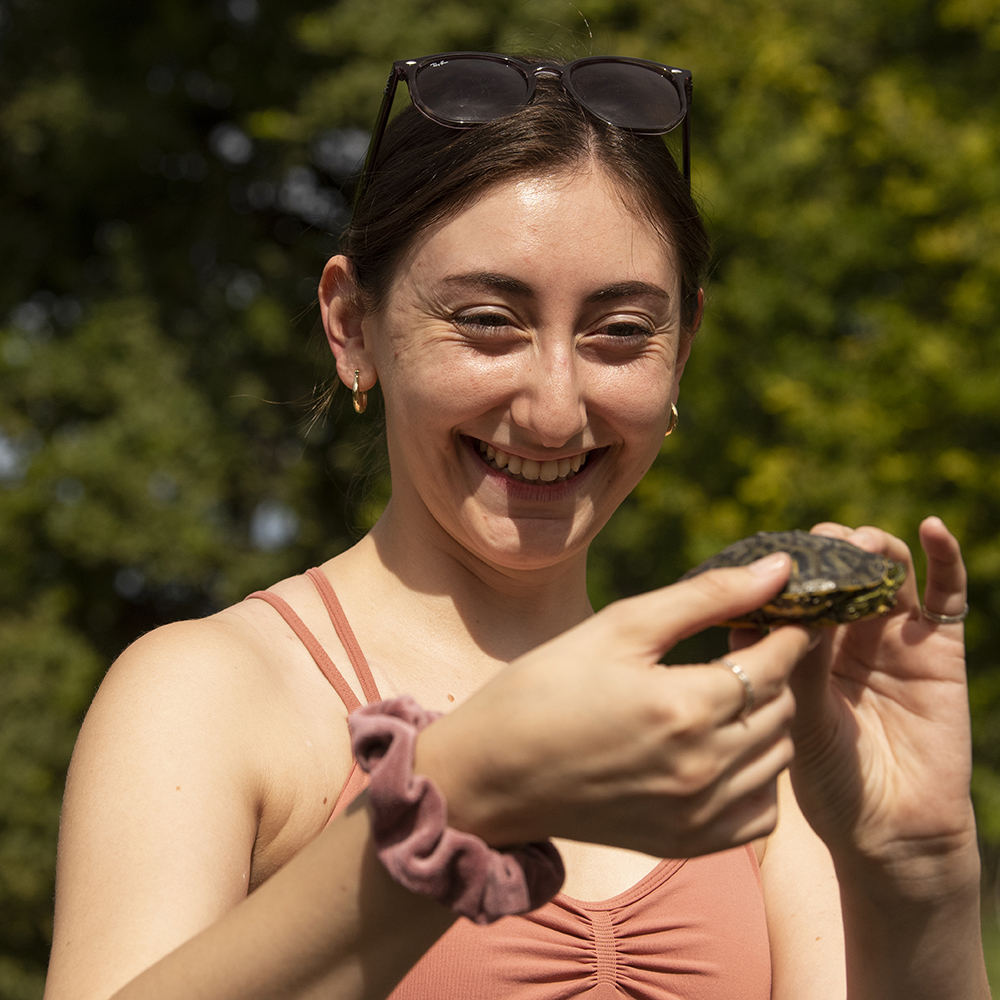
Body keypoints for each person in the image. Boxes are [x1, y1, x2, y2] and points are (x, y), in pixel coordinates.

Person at [43, 53, 988, 1000]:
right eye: (490, 321)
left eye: (622, 331)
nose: (553, 411)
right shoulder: (213, 694)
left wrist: (921, 880)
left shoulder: (750, 756)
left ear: (683, 350)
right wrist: (457, 800)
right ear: (352, 325)